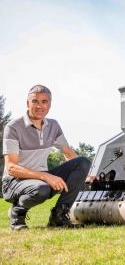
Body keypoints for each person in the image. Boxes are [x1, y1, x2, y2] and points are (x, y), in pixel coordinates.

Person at [2, 85, 94, 230]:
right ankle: (17, 213)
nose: (40, 106)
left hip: (40, 179)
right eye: (35, 101)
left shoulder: (53, 126)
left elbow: (69, 153)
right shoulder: (13, 128)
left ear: (49, 104)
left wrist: (85, 176)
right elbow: (11, 168)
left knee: (83, 162)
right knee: (41, 188)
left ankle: (59, 216)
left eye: (44, 102)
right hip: (14, 182)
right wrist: (45, 176)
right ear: (28, 103)